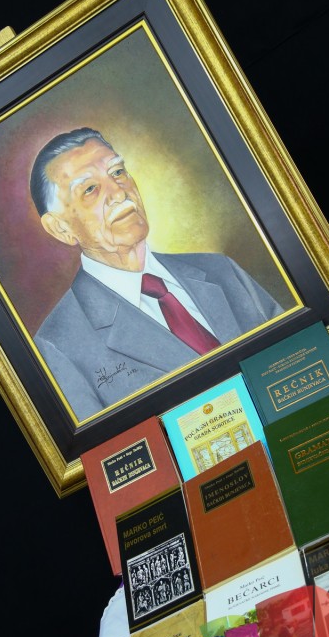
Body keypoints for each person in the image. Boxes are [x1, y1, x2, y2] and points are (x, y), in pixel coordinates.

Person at [29, 127, 284, 420]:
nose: (119, 192)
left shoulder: (220, 270)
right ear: (60, 228)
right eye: (89, 189)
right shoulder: (58, 345)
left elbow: (295, 355)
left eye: (117, 172)